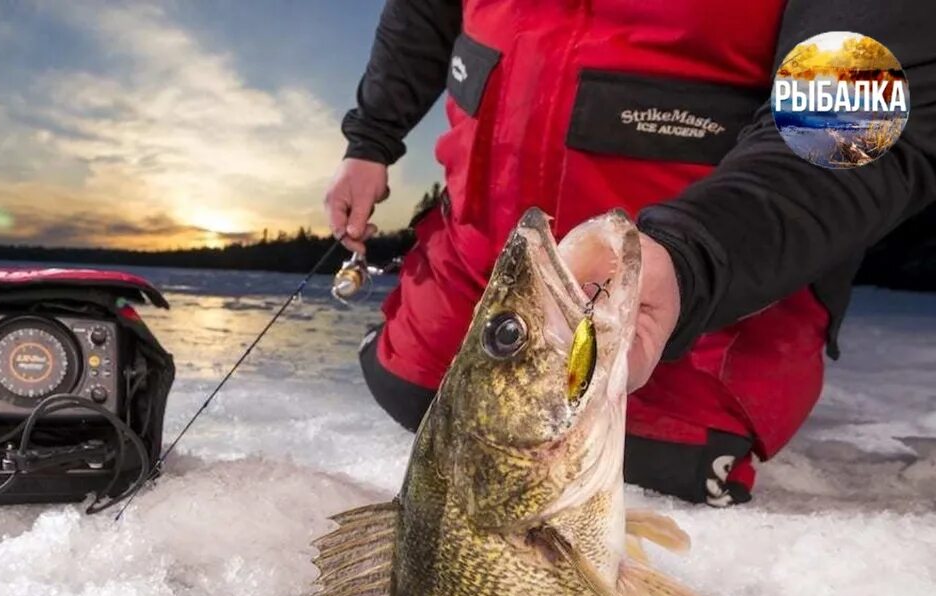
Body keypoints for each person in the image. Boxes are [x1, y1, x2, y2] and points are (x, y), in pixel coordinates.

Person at [325, 0, 935, 506]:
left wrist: (690, 259)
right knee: (400, 399)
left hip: (681, 322)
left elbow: (852, 125)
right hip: (473, 288)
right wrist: (371, 140)